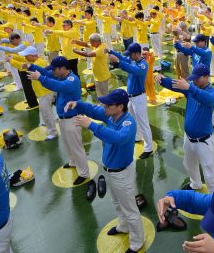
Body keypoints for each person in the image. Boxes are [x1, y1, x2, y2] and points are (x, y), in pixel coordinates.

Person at [64, 90, 144, 253]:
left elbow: (118, 138)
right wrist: (77, 104)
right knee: (116, 201)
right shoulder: (110, 114)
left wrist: (92, 125)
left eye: (108, 104)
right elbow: (93, 110)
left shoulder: (128, 123)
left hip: (122, 173)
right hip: (111, 171)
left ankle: (137, 242)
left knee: (130, 208)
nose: (104, 107)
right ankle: (123, 226)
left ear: (120, 107)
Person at [26, 56, 93, 194]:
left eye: (54, 69)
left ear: (62, 68)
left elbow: (56, 85)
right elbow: (46, 72)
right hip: (63, 118)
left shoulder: (71, 80)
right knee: (68, 144)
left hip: (72, 119)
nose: (53, 72)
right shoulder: (60, 75)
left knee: (76, 146)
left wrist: (40, 78)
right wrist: (32, 67)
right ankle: (73, 162)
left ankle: (84, 173)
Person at [156, 63, 214, 192]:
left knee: (209, 173)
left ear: (206, 76)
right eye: (194, 78)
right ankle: (195, 184)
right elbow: (173, 84)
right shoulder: (192, 88)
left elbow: (207, 99)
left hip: (203, 141)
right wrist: (161, 78)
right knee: (189, 164)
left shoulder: (212, 93)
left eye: (198, 78)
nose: (195, 80)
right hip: (189, 138)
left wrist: (190, 88)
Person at [108, 43, 154, 159]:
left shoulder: (143, 65)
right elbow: (124, 58)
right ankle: (138, 137)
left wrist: (118, 63)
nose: (129, 56)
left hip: (139, 97)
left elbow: (133, 69)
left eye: (131, 54)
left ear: (136, 54)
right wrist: (111, 52)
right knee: (134, 119)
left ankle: (149, 148)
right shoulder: (133, 60)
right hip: (131, 97)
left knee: (143, 123)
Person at [10, 46, 57, 140]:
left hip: (45, 93)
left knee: (46, 112)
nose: (25, 57)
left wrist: (12, 61)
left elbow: (23, 67)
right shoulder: (36, 61)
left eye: (26, 56)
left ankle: (52, 131)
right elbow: (23, 64)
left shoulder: (38, 63)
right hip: (42, 92)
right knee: (46, 111)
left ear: (32, 55)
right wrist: (13, 58)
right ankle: (49, 125)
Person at [72, 33, 111, 98]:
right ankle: (102, 105)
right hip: (98, 75)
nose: (91, 44)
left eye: (91, 42)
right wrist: (76, 42)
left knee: (104, 95)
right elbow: (86, 44)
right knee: (100, 93)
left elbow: (88, 54)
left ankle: (105, 107)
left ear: (97, 42)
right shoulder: (97, 45)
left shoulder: (101, 49)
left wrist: (76, 51)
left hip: (102, 76)